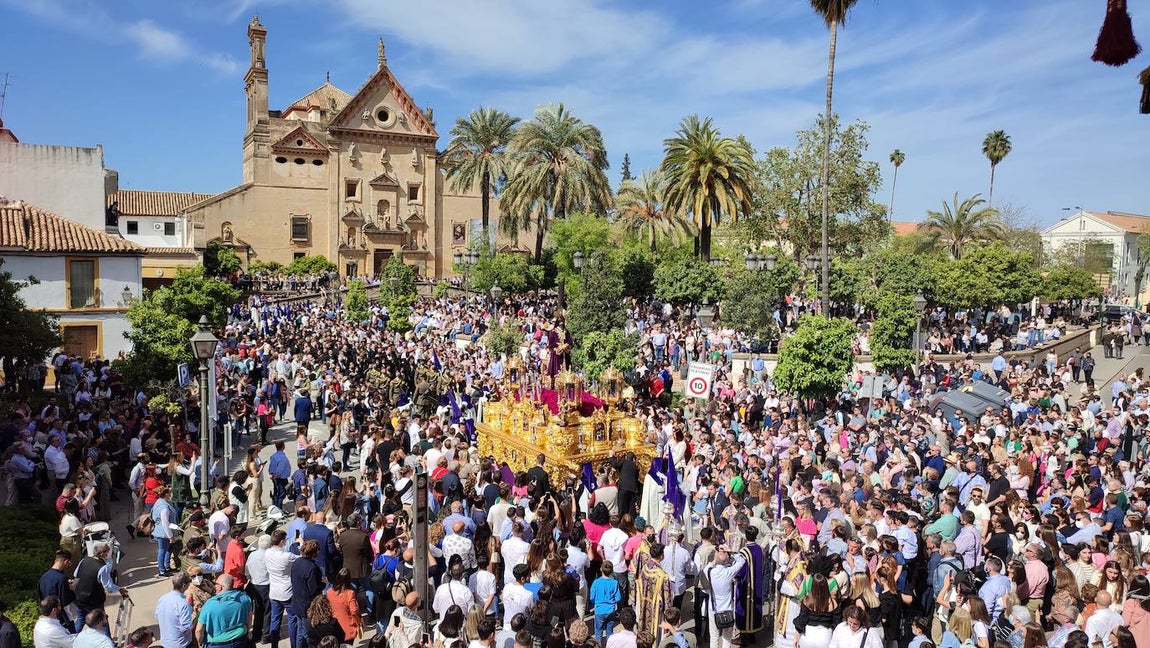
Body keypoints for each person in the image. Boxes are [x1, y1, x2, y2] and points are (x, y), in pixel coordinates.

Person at [72, 543, 127, 628]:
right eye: (107, 552)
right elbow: (108, 586)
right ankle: (107, 640)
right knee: (102, 621)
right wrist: (119, 589)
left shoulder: (84, 560)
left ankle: (73, 638)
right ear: (101, 553)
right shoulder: (103, 567)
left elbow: (76, 574)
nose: (108, 554)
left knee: (80, 619)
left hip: (79, 597)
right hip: (93, 600)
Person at [196, 574, 254, 648]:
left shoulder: (209, 604)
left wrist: (199, 643)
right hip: (240, 640)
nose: (215, 586)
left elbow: (199, 630)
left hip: (217, 644)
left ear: (220, 587)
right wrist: (249, 631)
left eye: (216, 584)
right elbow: (249, 616)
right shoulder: (244, 598)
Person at [265, 530, 299, 648]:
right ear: (282, 541)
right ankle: (294, 645)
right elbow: (300, 558)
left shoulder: (267, 553)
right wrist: (300, 543)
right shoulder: (287, 556)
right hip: (287, 591)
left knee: (275, 620)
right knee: (292, 620)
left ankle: (274, 645)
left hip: (274, 592)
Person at [290, 541, 324, 648]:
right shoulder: (312, 568)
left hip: (297, 601)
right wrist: (323, 583)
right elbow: (313, 590)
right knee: (307, 633)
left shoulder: (297, 562)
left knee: (301, 632)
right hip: (307, 605)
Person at [39, 551, 76, 632]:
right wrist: (71, 589)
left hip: (47, 616)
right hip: (61, 618)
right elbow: (65, 601)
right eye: (69, 563)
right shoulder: (61, 579)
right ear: (66, 561)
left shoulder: (43, 577)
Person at [155, 573, 194, 648]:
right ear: (184, 585)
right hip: (181, 644)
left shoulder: (162, 598)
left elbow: (157, 616)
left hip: (165, 642)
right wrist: (196, 620)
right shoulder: (184, 604)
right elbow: (186, 629)